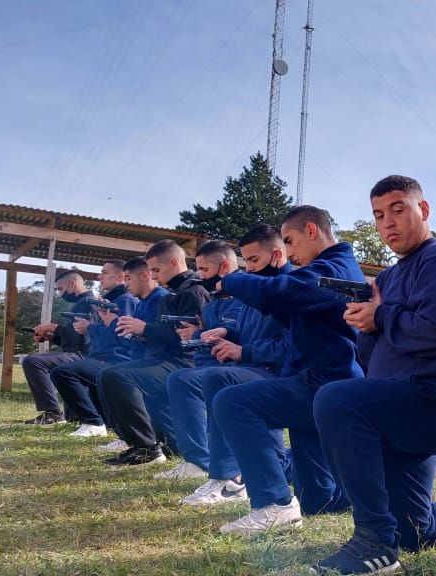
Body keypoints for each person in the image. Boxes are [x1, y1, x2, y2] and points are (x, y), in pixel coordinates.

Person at [309, 176, 436, 574]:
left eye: (397, 210)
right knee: (414, 529)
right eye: (378, 215)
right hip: (394, 402)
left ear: (423, 211)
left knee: (334, 399)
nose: (387, 223)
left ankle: (373, 541)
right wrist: (366, 326)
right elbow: (375, 359)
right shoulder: (388, 278)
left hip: (430, 402)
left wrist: (381, 316)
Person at [213, 206, 363, 534]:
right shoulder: (333, 268)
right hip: (320, 381)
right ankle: (364, 493)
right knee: (318, 500)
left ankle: (274, 503)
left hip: (325, 382)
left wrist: (234, 279)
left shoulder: (334, 269)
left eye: (291, 242)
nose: (290, 253)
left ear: (312, 231)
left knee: (232, 402)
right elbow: (294, 309)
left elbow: (281, 293)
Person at [173, 224, 293, 506]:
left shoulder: (288, 290)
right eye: (246, 261)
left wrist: (244, 350)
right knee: (188, 378)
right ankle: (222, 467)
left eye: (253, 260)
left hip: (275, 372)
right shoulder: (256, 289)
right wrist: (228, 334)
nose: (248, 269)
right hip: (253, 366)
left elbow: (292, 347)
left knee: (219, 378)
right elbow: (246, 330)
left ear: (277, 255)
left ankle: (229, 476)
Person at [99, 239, 210, 466]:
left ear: (174, 263)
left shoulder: (193, 292)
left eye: (156, 270)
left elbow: (188, 339)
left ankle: (146, 448)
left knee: (115, 375)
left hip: (183, 362)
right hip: (163, 359)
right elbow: (167, 332)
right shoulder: (173, 294)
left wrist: (144, 328)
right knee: (173, 443)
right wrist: (140, 332)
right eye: (151, 271)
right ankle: (161, 448)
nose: (154, 276)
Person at [154, 240, 243, 480]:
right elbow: (208, 346)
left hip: (242, 368)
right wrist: (198, 336)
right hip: (213, 367)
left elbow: (237, 339)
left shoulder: (246, 298)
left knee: (188, 380)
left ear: (224, 266)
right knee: (182, 379)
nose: (200, 276)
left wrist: (197, 335)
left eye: (204, 270)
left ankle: (210, 465)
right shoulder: (214, 302)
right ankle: (198, 459)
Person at [50, 260, 138, 437]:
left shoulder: (125, 300)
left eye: (104, 273)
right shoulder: (108, 300)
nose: (99, 277)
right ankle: (104, 423)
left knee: (62, 373)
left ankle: (93, 423)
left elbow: (122, 336)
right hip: (100, 356)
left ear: (120, 276)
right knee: (82, 377)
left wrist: (90, 328)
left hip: (115, 358)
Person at [94, 257, 169, 454]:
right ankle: (131, 438)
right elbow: (131, 339)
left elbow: (158, 338)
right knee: (107, 374)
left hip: (158, 362)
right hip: (140, 359)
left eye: (128, 278)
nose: (125, 284)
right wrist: (112, 322)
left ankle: (145, 444)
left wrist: (137, 329)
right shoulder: (141, 303)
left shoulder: (161, 299)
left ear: (145, 276)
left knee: (111, 375)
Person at [21, 269, 95, 424]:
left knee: (32, 361)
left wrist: (53, 327)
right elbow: (72, 339)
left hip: (82, 355)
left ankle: (53, 413)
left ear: (72, 283)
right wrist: (51, 337)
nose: (59, 293)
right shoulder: (79, 304)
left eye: (60, 289)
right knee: (73, 418)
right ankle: (61, 413)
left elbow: (85, 340)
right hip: (75, 352)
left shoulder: (88, 303)